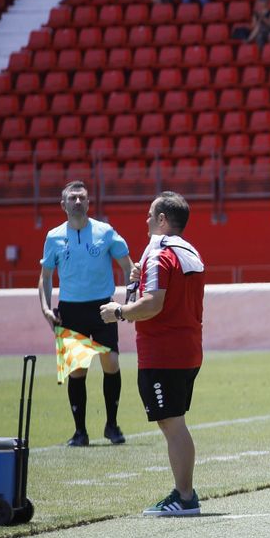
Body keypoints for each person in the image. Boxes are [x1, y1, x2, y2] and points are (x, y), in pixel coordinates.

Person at [99, 192, 206, 516]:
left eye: (150, 214)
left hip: (163, 351)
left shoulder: (159, 252)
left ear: (162, 219)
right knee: (173, 421)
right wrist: (139, 278)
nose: (145, 220)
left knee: (172, 424)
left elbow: (153, 304)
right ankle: (184, 493)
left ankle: (184, 497)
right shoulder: (189, 250)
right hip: (187, 348)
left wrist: (118, 311)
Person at [39, 180, 134, 447]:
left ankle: (112, 425)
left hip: (103, 307)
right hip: (70, 309)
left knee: (111, 363)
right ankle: (80, 432)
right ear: (63, 205)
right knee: (77, 371)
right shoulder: (53, 237)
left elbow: (129, 266)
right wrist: (46, 308)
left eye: (82, 198)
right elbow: (45, 276)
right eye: (73, 198)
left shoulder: (105, 232)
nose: (78, 202)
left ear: (89, 203)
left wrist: (130, 299)